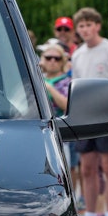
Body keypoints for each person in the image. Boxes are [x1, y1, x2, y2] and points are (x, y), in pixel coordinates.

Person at [70, 7, 108, 216]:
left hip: (107, 115)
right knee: (87, 168)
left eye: (89, 25)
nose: (85, 30)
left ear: (97, 26)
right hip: (85, 115)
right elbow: (76, 85)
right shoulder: (78, 54)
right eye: (81, 26)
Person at [39, 41, 82, 197]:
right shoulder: (36, 78)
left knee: (65, 170)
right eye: (48, 57)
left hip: (61, 132)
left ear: (62, 62)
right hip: (37, 130)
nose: (52, 61)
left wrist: (49, 88)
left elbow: (66, 104)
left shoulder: (67, 82)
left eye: (56, 58)